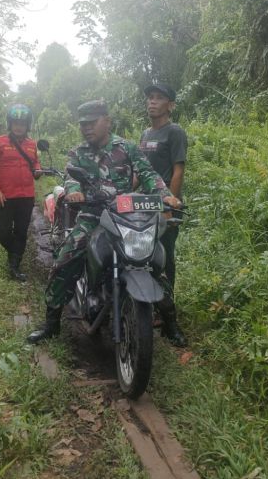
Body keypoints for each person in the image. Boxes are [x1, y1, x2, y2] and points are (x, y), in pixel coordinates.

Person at [26, 100, 181, 344]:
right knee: (65, 259)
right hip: (92, 215)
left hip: (125, 215)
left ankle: (171, 323)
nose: (87, 128)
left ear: (107, 121)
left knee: (150, 262)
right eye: (83, 124)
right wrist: (75, 191)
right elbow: (70, 178)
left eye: (92, 123)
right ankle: (52, 323)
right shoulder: (78, 153)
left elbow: (149, 174)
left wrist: (166, 195)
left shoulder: (127, 148)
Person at [140, 83, 187, 347]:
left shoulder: (175, 132)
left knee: (165, 257)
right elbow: (140, 170)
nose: (152, 102)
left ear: (170, 105)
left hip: (166, 207)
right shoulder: (145, 133)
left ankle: (169, 315)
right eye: (150, 98)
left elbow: (178, 171)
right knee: (143, 254)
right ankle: (147, 304)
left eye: (159, 98)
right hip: (144, 206)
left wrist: (171, 205)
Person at [0, 104, 42, 282]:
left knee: (22, 231)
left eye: (22, 124)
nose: (19, 127)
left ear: (27, 125)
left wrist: (38, 170)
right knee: (3, 233)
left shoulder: (32, 145)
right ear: (10, 124)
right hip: (5, 197)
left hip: (26, 196)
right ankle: (15, 251)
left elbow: (35, 164)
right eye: (16, 123)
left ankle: (14, 266)